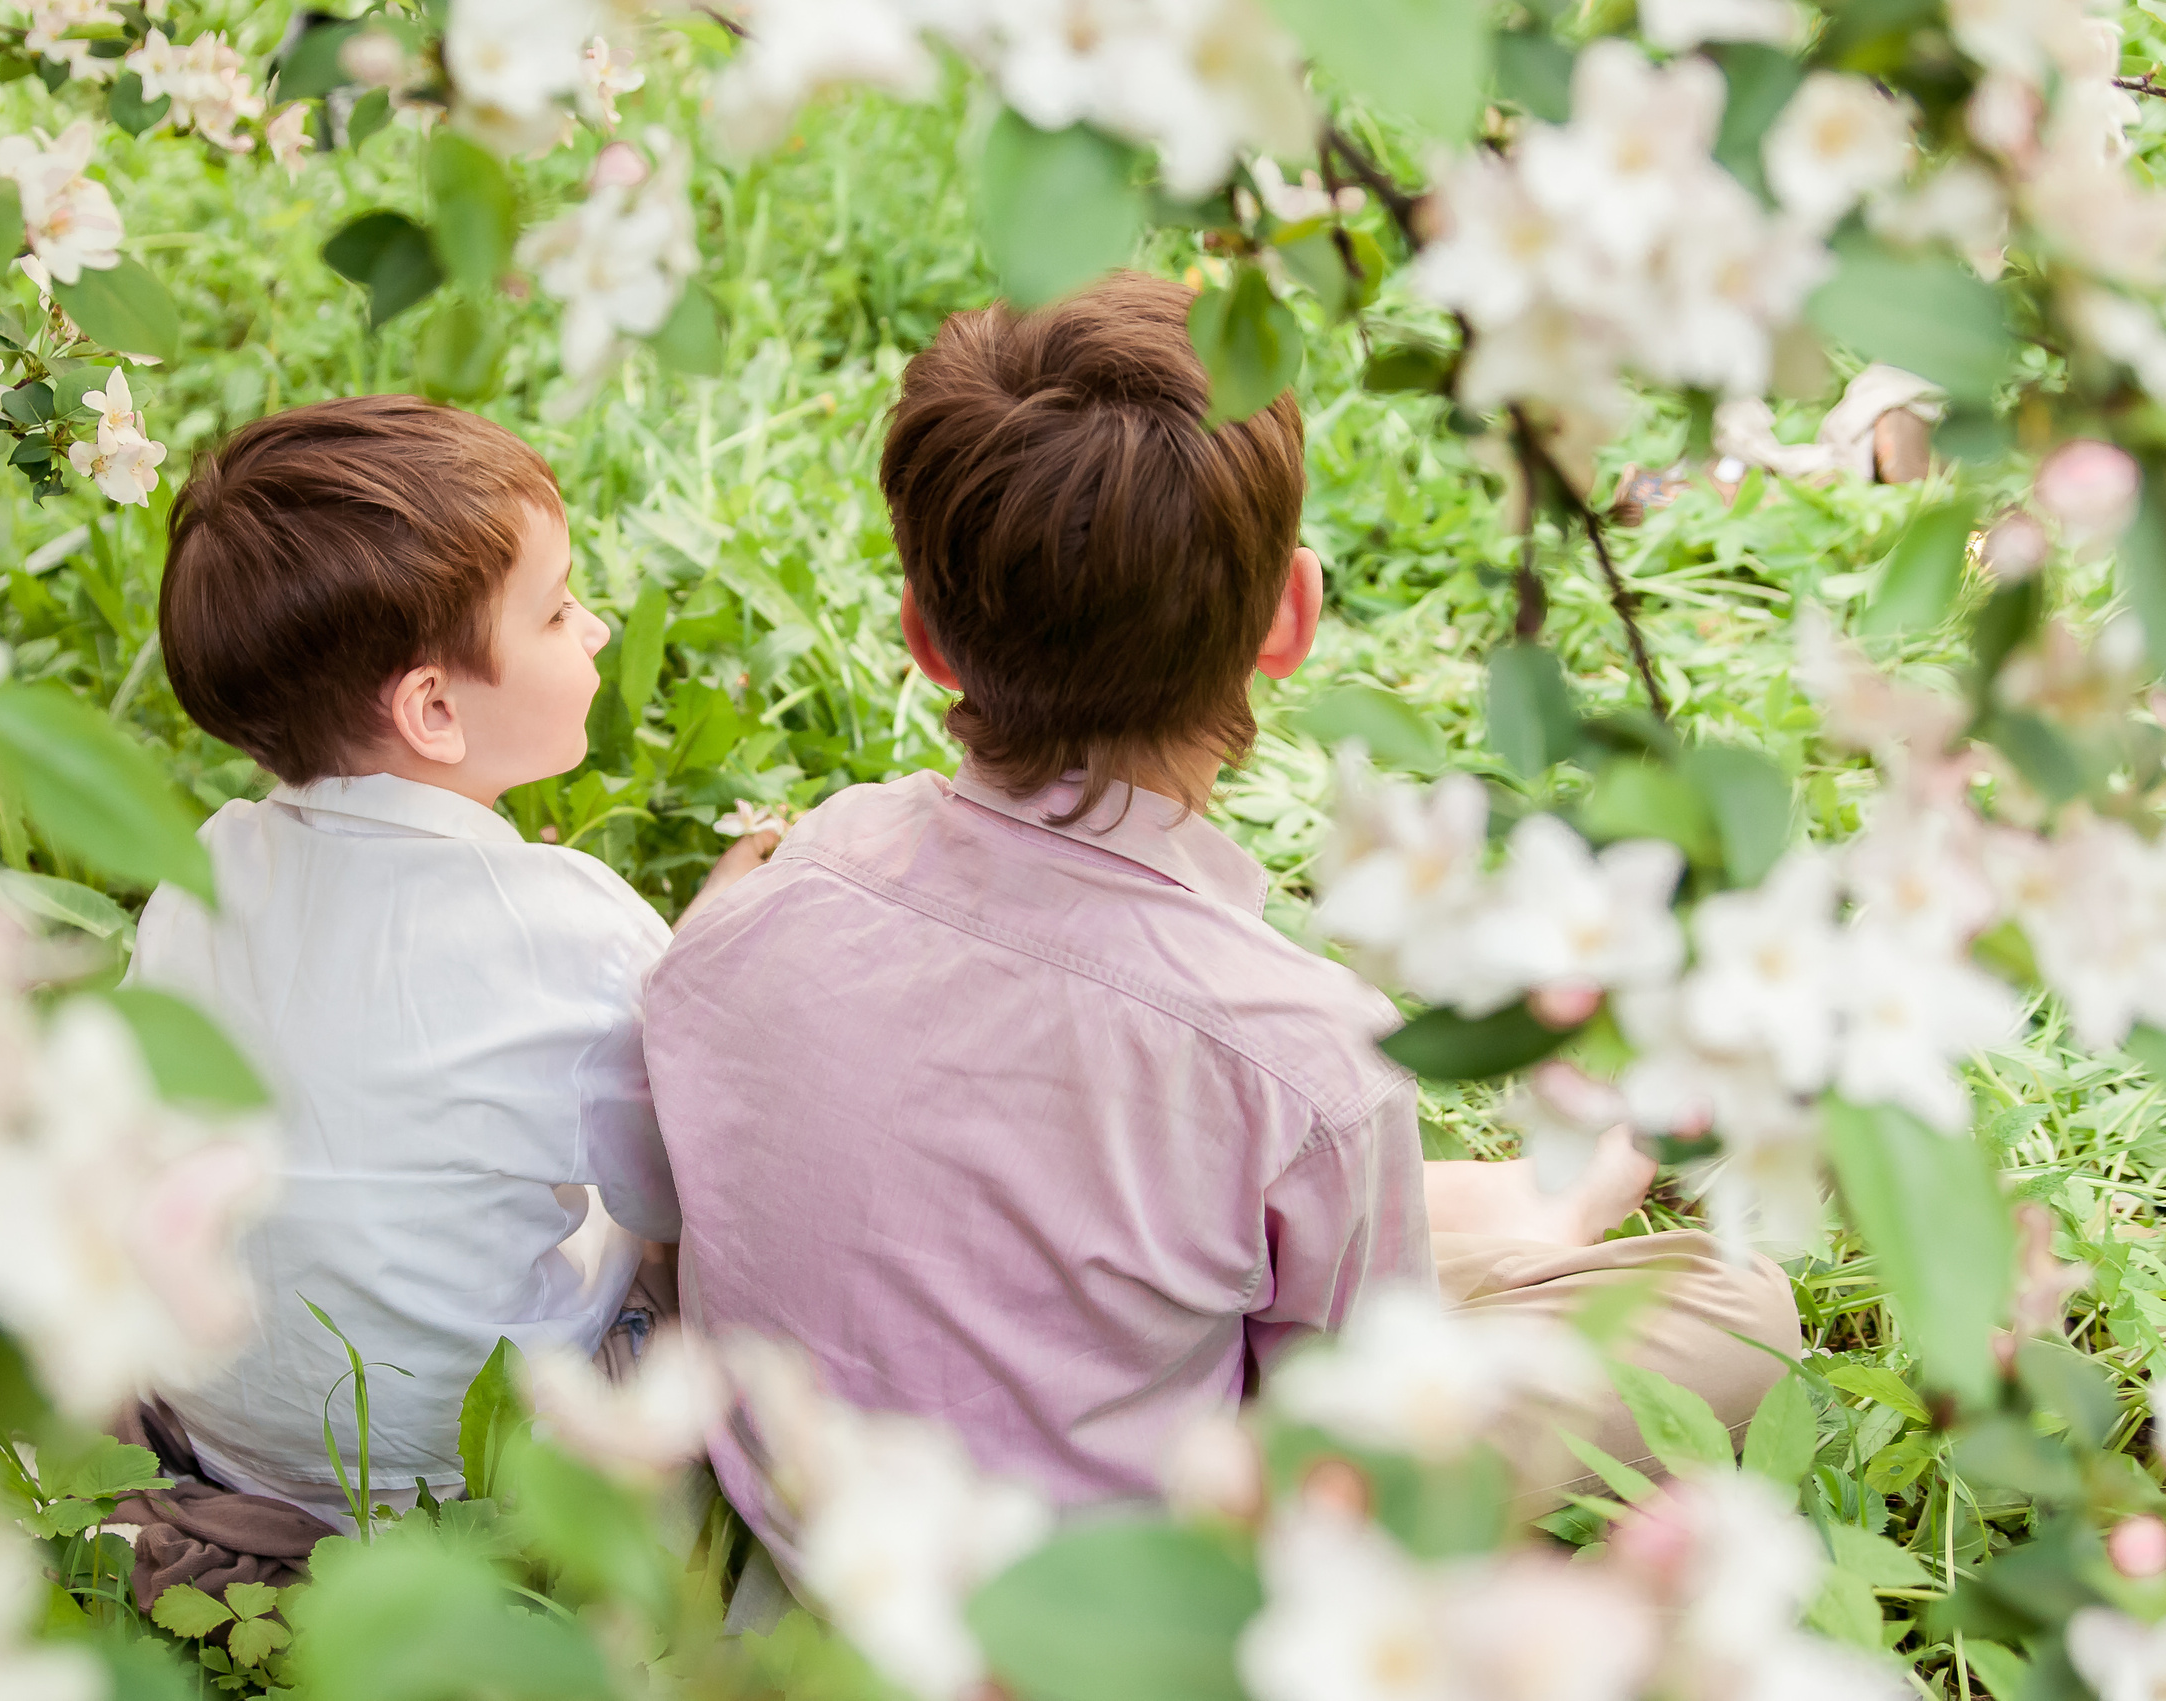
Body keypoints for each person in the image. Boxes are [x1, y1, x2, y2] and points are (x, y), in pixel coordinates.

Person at [642, 274, 1799, 1566]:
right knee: (1734, 1308)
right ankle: (1543, 1216)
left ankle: (1539, 1204)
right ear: (1292, 616)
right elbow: (1345, 1446)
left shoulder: (775, 886)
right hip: (1124, 1599)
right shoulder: (1301, 1052)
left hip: (796, 1542)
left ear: (924, 634)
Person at [124, 395, 764, 1538]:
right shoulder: (570, 928)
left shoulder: (204, 867)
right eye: (560, 610)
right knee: (670, 1255)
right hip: (470, 1475)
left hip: (219, 1433)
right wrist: (704, 962)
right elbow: (684, 1189)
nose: (601, 627)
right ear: (432, 708)